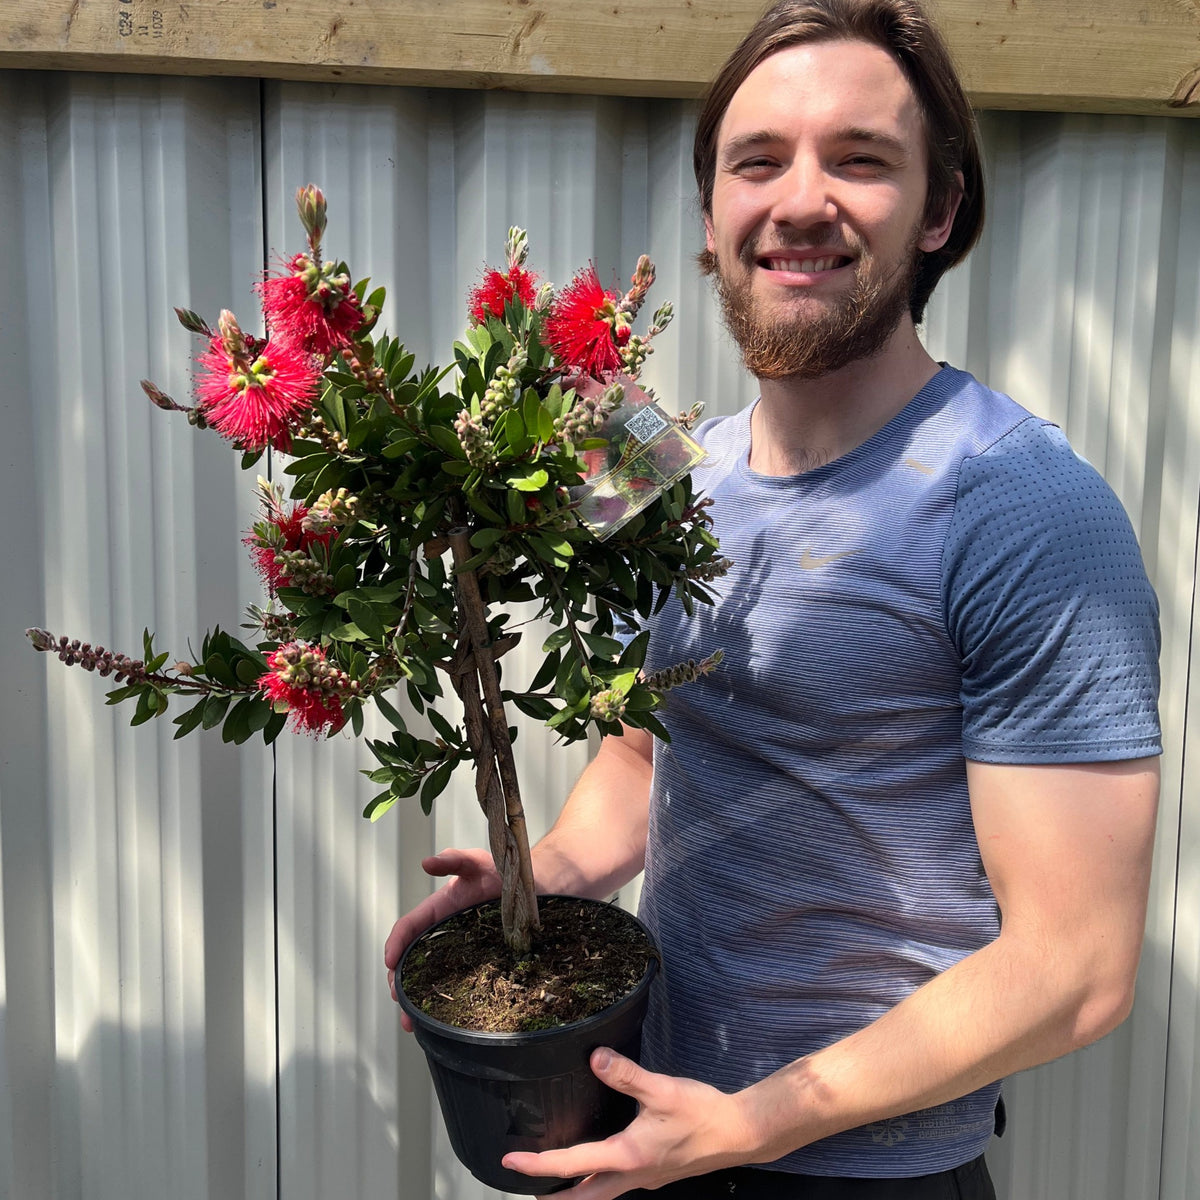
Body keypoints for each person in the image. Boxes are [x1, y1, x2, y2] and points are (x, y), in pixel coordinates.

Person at [384, 1, 1162, 1196]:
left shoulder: (1024, 507)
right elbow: (646, 759)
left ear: (941, 210)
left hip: (863, 1169)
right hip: (649, 1118)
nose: (802, 199)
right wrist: (541, 879)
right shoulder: (654, 467)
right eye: (759, 161)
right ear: (713, 212)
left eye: (861, 159)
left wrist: (752, 1126)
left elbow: (1080, 966)